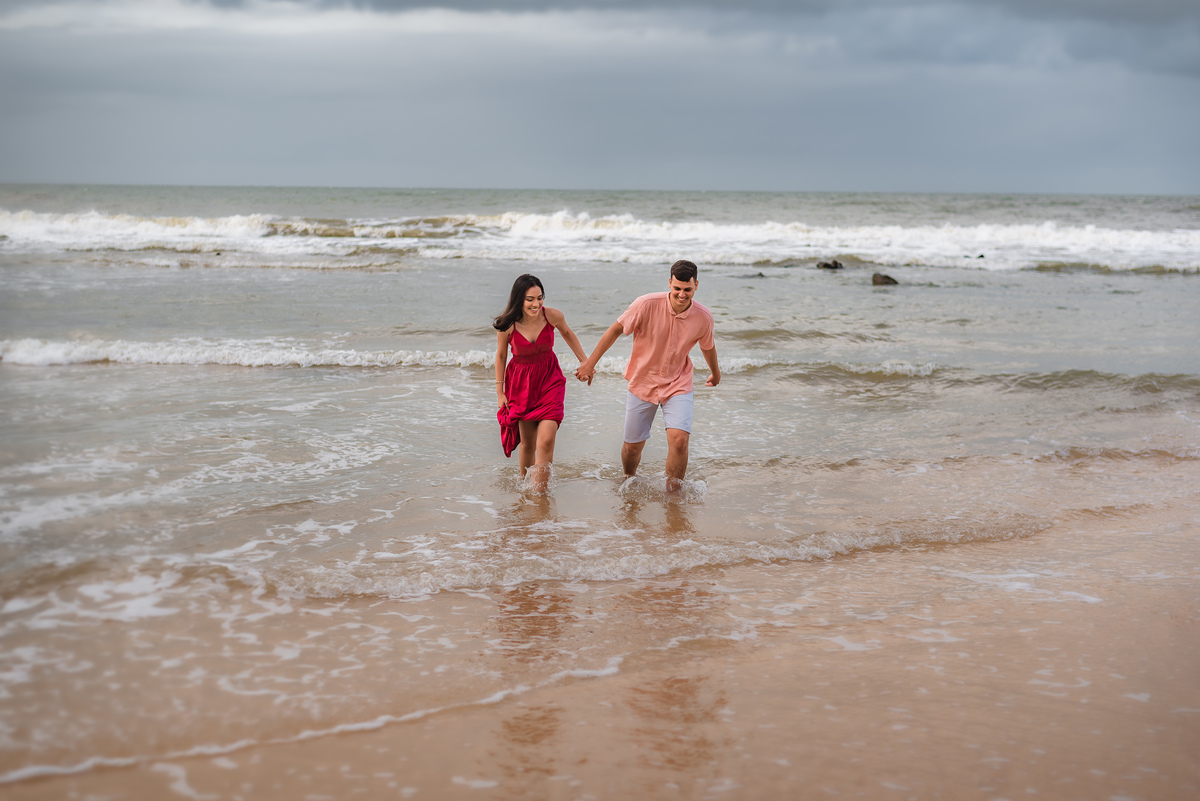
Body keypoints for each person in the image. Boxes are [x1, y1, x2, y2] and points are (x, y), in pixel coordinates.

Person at [574, 259, 720, 492]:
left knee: (680, 440)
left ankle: (674, 495)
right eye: (677, 289)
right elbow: (614, 330)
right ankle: (628, 480)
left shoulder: (703, 317)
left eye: (687, 290)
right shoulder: (645, 304)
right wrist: (590, 363)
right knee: (632, 448)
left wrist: (715, 372)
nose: (682, 295)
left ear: (696, 286)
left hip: (677, 383)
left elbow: (707, 346)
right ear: (670, 283)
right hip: (643, 381)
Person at [494, 274, 588, 492]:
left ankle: (540, 494)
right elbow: (500, 357)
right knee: (527, 442)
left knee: (546, 440)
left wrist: (585, 363)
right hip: (521, 384)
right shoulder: (507, 325)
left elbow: (568, 334)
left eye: (539, 297)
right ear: (519, 299)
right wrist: (500, 393)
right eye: (530, 299)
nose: (536, 304)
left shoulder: (552, 316)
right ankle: (525, 489)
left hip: (550, 379)